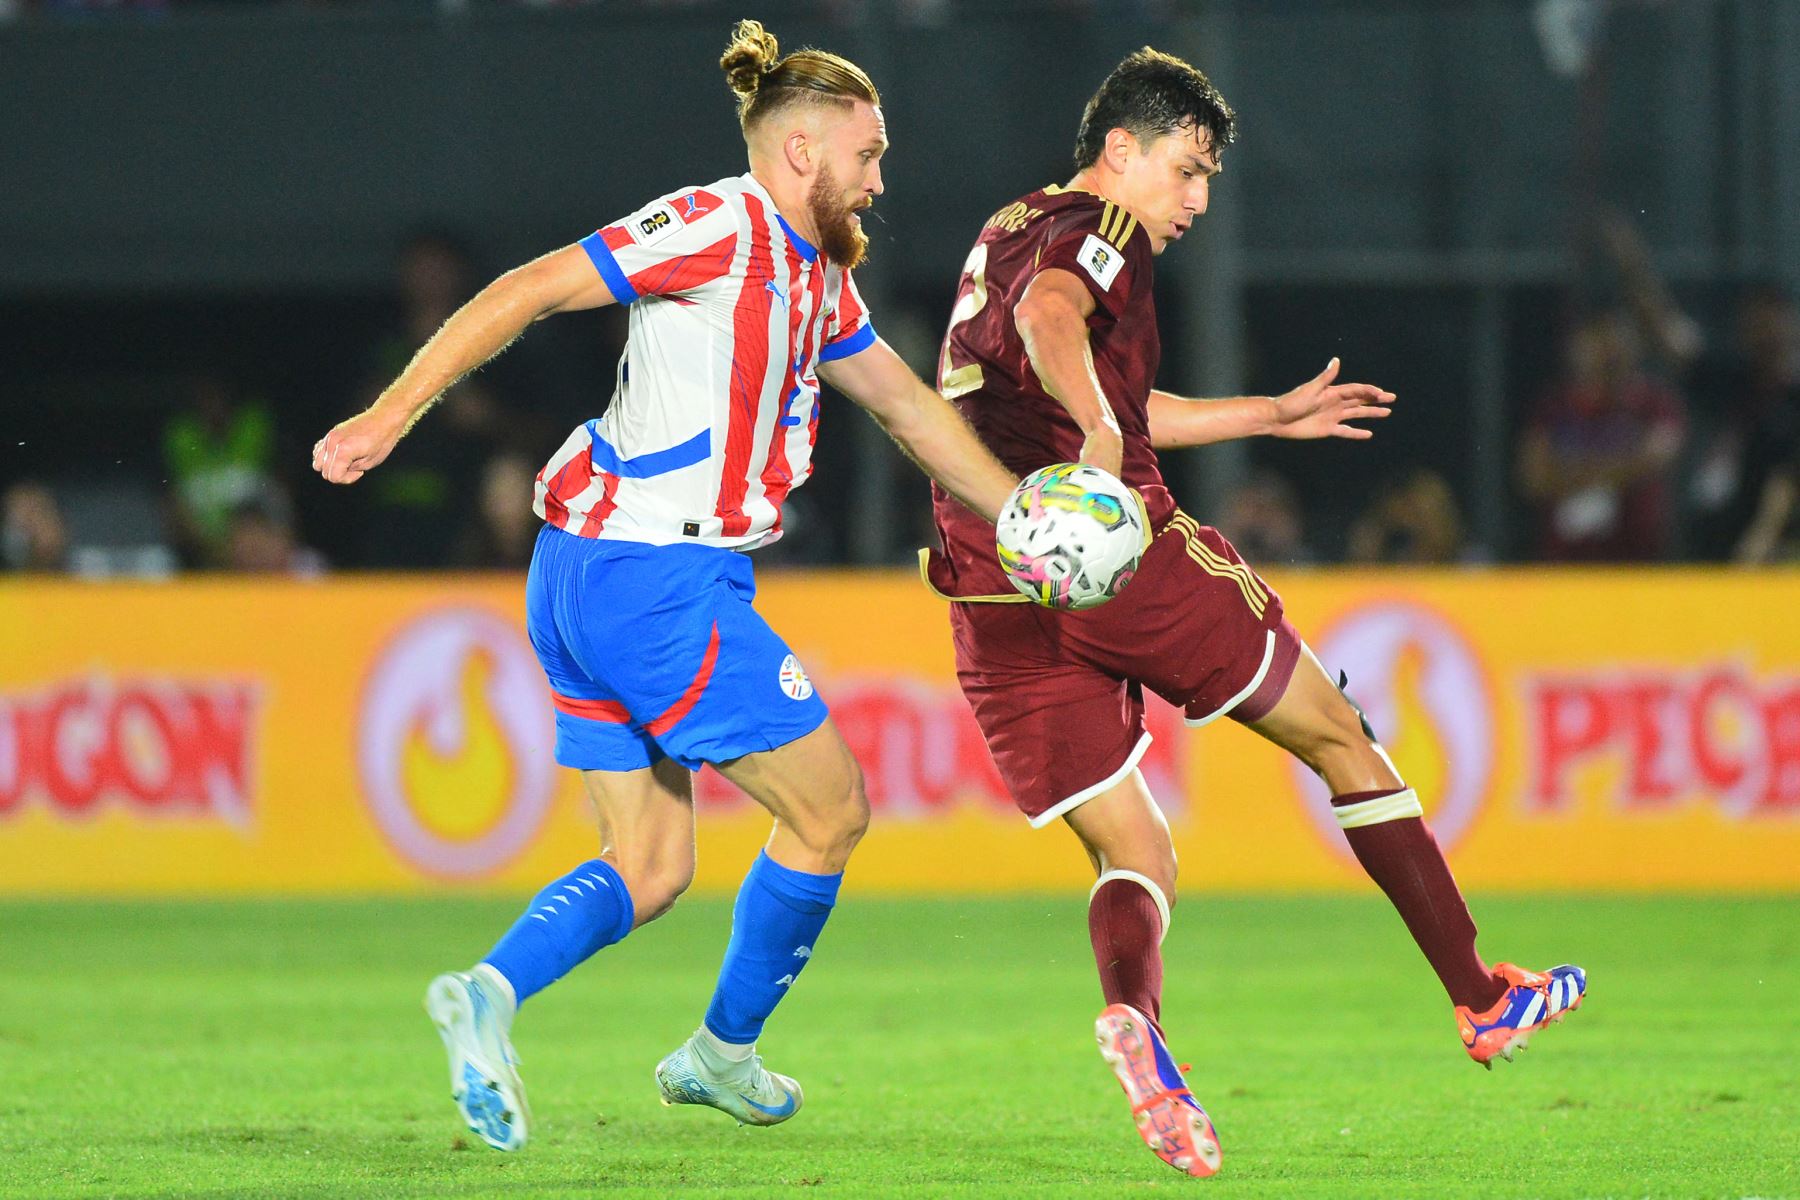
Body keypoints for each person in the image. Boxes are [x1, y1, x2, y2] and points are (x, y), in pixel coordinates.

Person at [313, 20, 1015, 1152]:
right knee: (831, 809)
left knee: (651, 863)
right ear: (800, 152)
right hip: (654, 576)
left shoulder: (813, 277)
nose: (881, 181)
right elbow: (532, 288)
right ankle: (719, 1054)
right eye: (867, 155)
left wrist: (1017, 511)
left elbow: (904, 405)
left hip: (590, 570)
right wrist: (395, 412)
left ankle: (486, 997)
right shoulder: (718, 224)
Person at [922, 48, 1586, 1178]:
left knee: (1135, 852)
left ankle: (1138, 1022)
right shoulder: (1097, 230)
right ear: (1119, 151)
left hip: (996, 582)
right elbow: (1052, 323)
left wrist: (1268, 413)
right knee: (1342, 737)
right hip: (1119, 555)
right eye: (1185, 169)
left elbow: (1111, 390)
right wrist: (1094, 443)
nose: (1196, 201)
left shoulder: (1008, 226)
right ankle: (1482, 997)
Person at [1517, 310, 1685, 562]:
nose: (1606, 357)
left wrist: (1571, 474)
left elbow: (1656, 457)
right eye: (1597, 347)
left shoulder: (1653, 404)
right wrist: (1613, 471)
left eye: (1613, 347)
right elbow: (1533, 476)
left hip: (1636, 558)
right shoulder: (1555, 408)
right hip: (1565, 560)